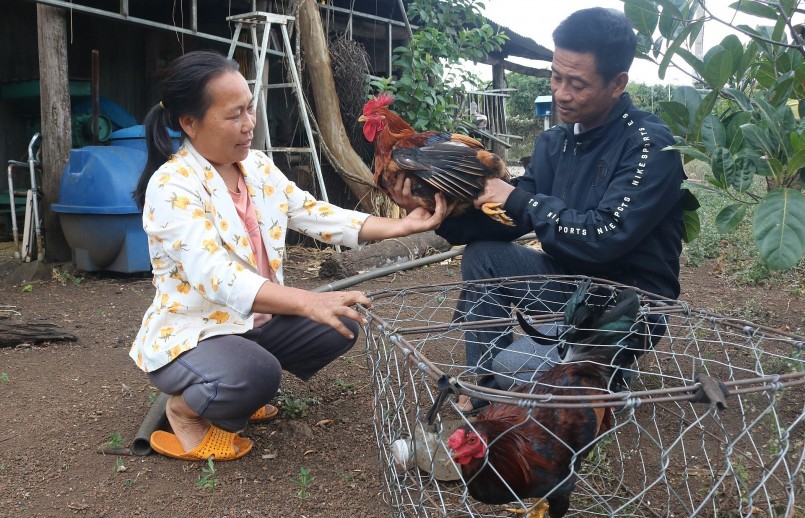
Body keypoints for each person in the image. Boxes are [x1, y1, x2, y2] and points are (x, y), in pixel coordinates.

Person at [130, 50, 448, 461]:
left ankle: (237, 387)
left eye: (250, 108)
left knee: (342, 324)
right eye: (234, 116)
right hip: (195, 333)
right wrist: (308, 300)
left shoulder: (256, 167)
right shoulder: (172, 186)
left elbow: (313, 213)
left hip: (249, 324)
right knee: (259, 372)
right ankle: (186, 409)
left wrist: (401, 226)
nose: (249, 125)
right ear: (189, 123)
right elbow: (216, 275)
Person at [390, 7, 686, 412]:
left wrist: (520, 199)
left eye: (577, 83)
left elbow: (604, 237)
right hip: (569, 284)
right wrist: (439, 211)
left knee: (512, 366)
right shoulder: (556, 143)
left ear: (618, 83)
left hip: (625, 302)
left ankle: (605, 372)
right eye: (556, 76)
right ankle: (486, 396)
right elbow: (510, 219)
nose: (562, 92)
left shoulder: (649, 145)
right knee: (484, 258)